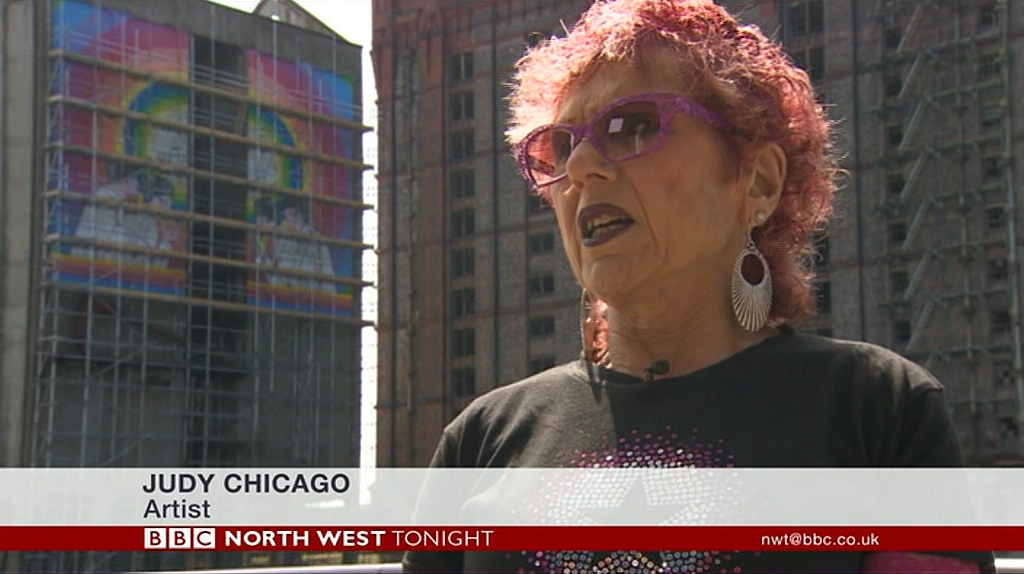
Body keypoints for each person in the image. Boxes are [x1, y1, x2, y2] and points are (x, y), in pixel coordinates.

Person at [402, 1, 995, 573]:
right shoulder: (480, 440)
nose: (581, 166)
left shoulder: (879, 410)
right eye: (562, 144)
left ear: (757, 183)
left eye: (631, 126)